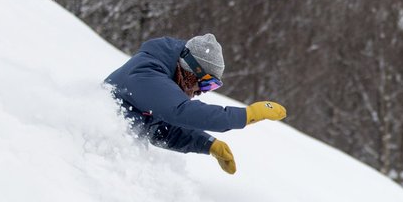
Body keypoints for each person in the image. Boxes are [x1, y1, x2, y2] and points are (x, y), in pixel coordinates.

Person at [104, 33, 286, 174]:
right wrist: (246, 115)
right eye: (206, 83)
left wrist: (207, 144)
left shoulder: (158, 83)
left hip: (110, 158)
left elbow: (160, 131)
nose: (202, 91)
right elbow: (181, 112)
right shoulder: (146, 74)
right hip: (98, 159)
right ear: (190, 70)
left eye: (213, 86)